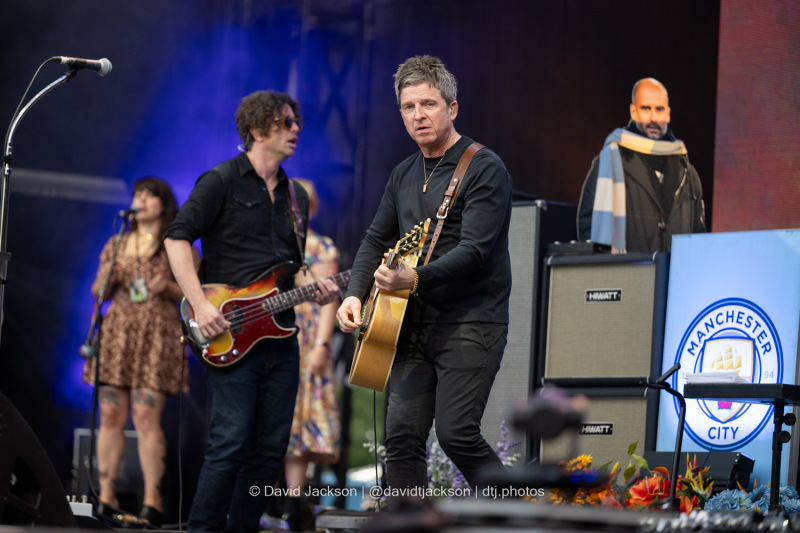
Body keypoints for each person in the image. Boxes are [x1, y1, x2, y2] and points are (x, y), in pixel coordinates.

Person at [336, 55, 513, 492]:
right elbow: (375, 240)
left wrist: (411, 280)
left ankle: (521, 514)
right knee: (400, 439)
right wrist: (354, 294)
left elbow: (474, 252)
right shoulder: (403, 173)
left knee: (456, 435)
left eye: (429, 104)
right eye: (409, 107)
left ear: (452, 108)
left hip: (471, 322)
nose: (419, 115)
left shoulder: (484, 167)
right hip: (410, 325)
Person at [164, 90, 337, 532]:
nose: (296, 129)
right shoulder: (220, 180)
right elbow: (176, 239)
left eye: (296, 121)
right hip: (230, 329)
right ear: (258, 130)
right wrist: (200, 306)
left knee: (270, 448)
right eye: (286, 122)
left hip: (281, 336)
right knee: (230, 442)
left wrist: (315, 288)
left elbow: (293, 270)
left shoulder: (295, 195)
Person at [83, 176, 189, 527]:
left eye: (149, 195)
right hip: (118, 332)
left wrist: (168, 287)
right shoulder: (117, 241)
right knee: (111, 416)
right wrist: (106, 277)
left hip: (156, 333)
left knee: (145, 418)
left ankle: (151, 501)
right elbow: (98, 291)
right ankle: (106, 496)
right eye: (138, 194)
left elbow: (194, 292)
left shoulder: (174, 243)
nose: (141, 200)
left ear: (163, 203)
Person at [577, 77, 706, 253]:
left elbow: (698, 235)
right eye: (646, 108)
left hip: (674, 274)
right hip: (629, 274)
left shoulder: (687, 172)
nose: (653, 117)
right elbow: (590, 226)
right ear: (633, 111)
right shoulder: (612, 160)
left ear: (668, 114)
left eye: (659, 109)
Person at [285, 178, 341, 490]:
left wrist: (321, 344)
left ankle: (292, 503)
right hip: (273, 330)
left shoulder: (319, 246)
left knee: (301, 419)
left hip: (306, 336)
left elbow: (329, 299)